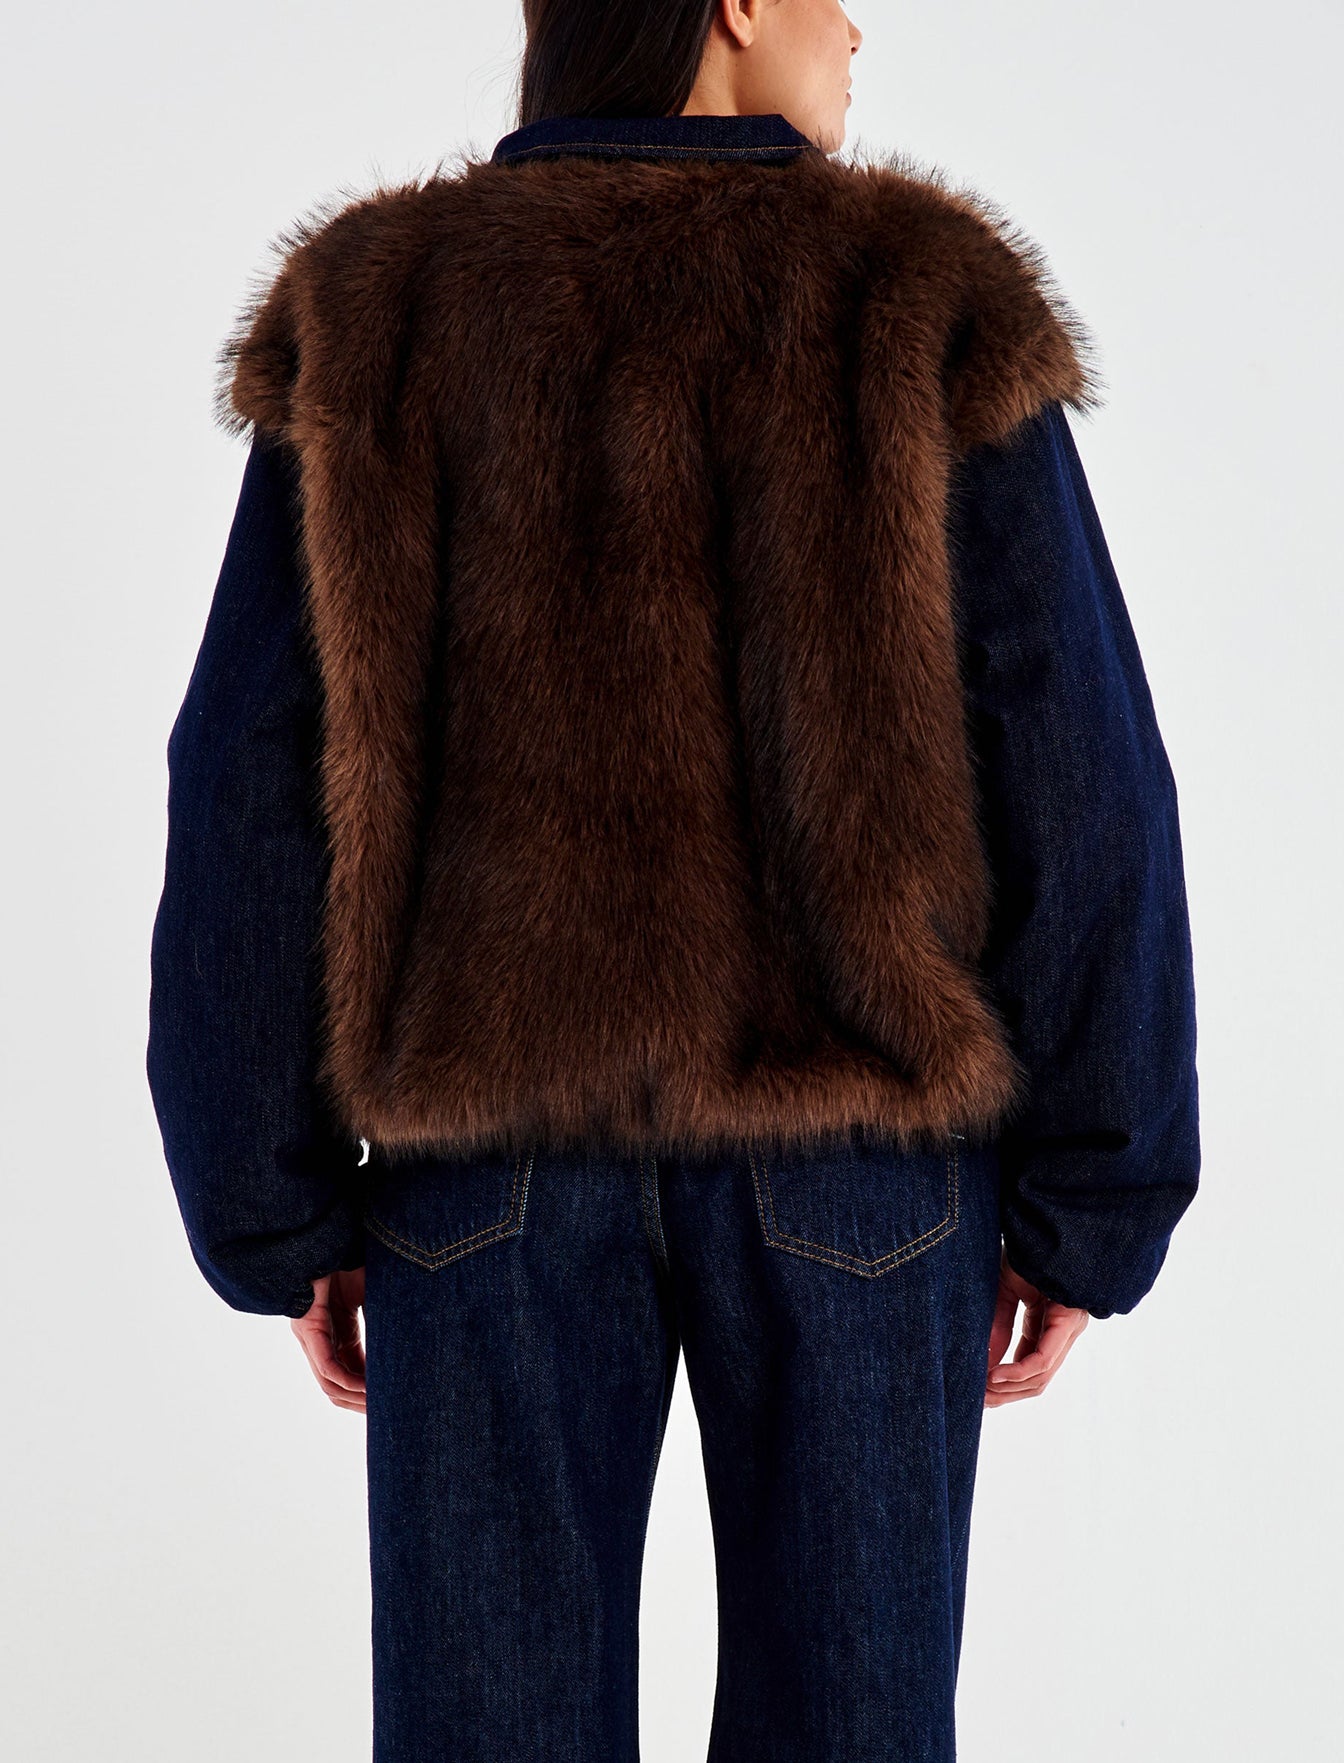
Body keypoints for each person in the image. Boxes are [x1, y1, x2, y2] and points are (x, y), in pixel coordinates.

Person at [146, 1, 1200, 1757]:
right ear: (732, 5)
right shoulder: (914, 302)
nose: (854, 27)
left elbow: (249, 774)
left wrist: (273, 1206)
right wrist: (1102, 1189)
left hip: (484, 1168)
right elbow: (1080, 763)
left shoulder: (376, 311)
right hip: (862, 1164)